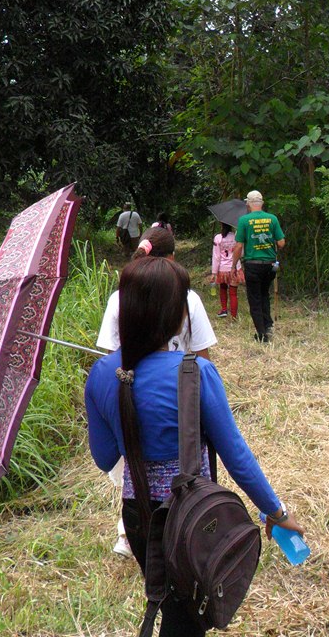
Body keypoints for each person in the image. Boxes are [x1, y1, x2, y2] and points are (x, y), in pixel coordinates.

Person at [85, 256, 305, 637]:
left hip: (138, 516)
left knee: (171, 603)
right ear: (176, 317)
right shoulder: (196, 372)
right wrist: (276, 511)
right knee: (187, 616)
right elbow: (235, 454)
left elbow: (104, 457)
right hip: (194, 518)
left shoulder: (105, 374)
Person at [97, 225, 217, 557]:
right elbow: (203, 355)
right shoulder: (188, 298)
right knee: (189, 466)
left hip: (133, 399)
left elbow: (110, 360)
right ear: (172, 259)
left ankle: (130, 531)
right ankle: (192, 527)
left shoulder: (118, 298)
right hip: (183, 401)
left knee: (136, 464)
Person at [232, 190, 285, 343]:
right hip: (270, 265)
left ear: (248, 204)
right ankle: (268, 326)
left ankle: (261, 334)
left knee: (254, 298)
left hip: (252, 265)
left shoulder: (244, 221)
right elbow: (281, 243)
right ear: (262, 203)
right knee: (264, 295)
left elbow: (238, 246)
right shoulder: (272, 219)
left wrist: (233, 265)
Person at [210, 222, 243, 319]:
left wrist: (214, 272)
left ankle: (224, 310)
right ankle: (234, 316)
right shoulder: (236, 237)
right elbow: (241, 253)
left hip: (223, 268)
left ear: (221, 225)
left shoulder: (218, 238)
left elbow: (216, 256)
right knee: (233, 293)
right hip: (234, 267)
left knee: (223, 288)